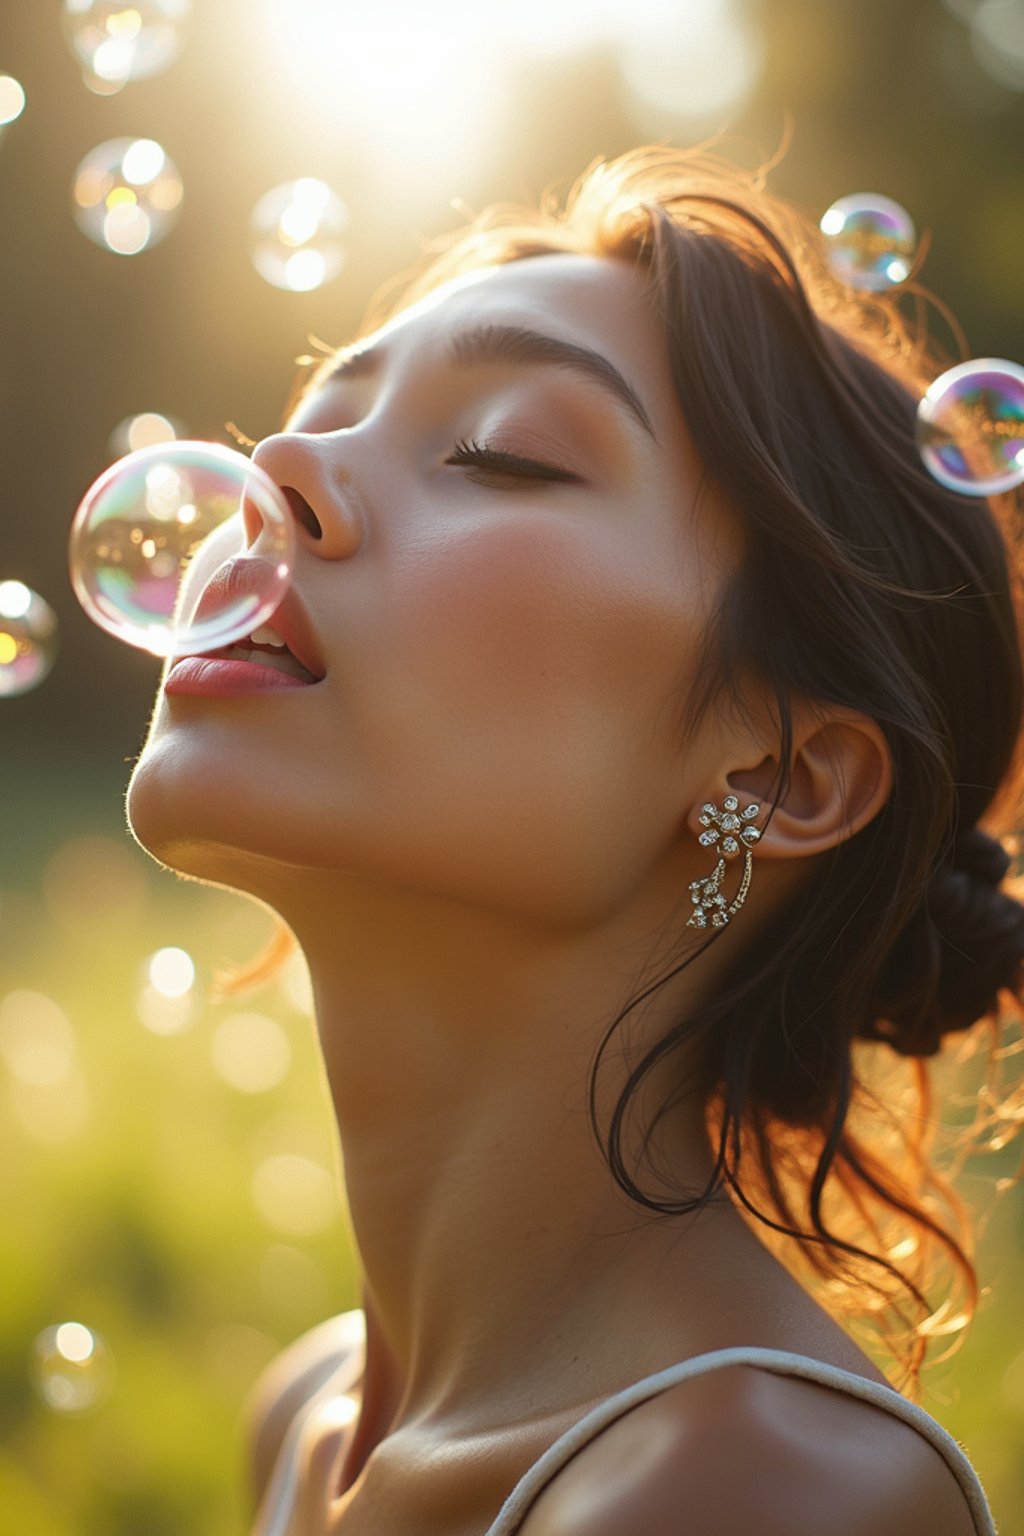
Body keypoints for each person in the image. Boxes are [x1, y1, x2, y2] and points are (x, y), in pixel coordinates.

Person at [127, 146, 1023, 1534]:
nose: (281, 467)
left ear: (781, 776)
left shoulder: (762, 1494)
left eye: (500, 451)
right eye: (313, 415)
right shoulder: (307, 1420)